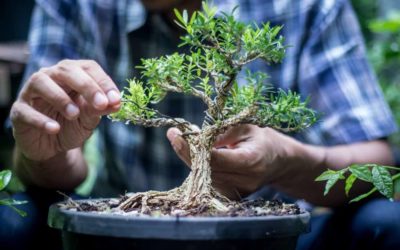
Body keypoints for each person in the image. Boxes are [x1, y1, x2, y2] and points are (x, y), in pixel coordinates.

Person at [1, 0, 400, 249]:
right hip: (123, 230)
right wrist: (44, 152)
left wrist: (286, 160)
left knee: (387, 223)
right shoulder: (77, 3)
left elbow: (377, 163)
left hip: (282, 230)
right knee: (11, 219)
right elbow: (53, 170)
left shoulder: (306, 4)